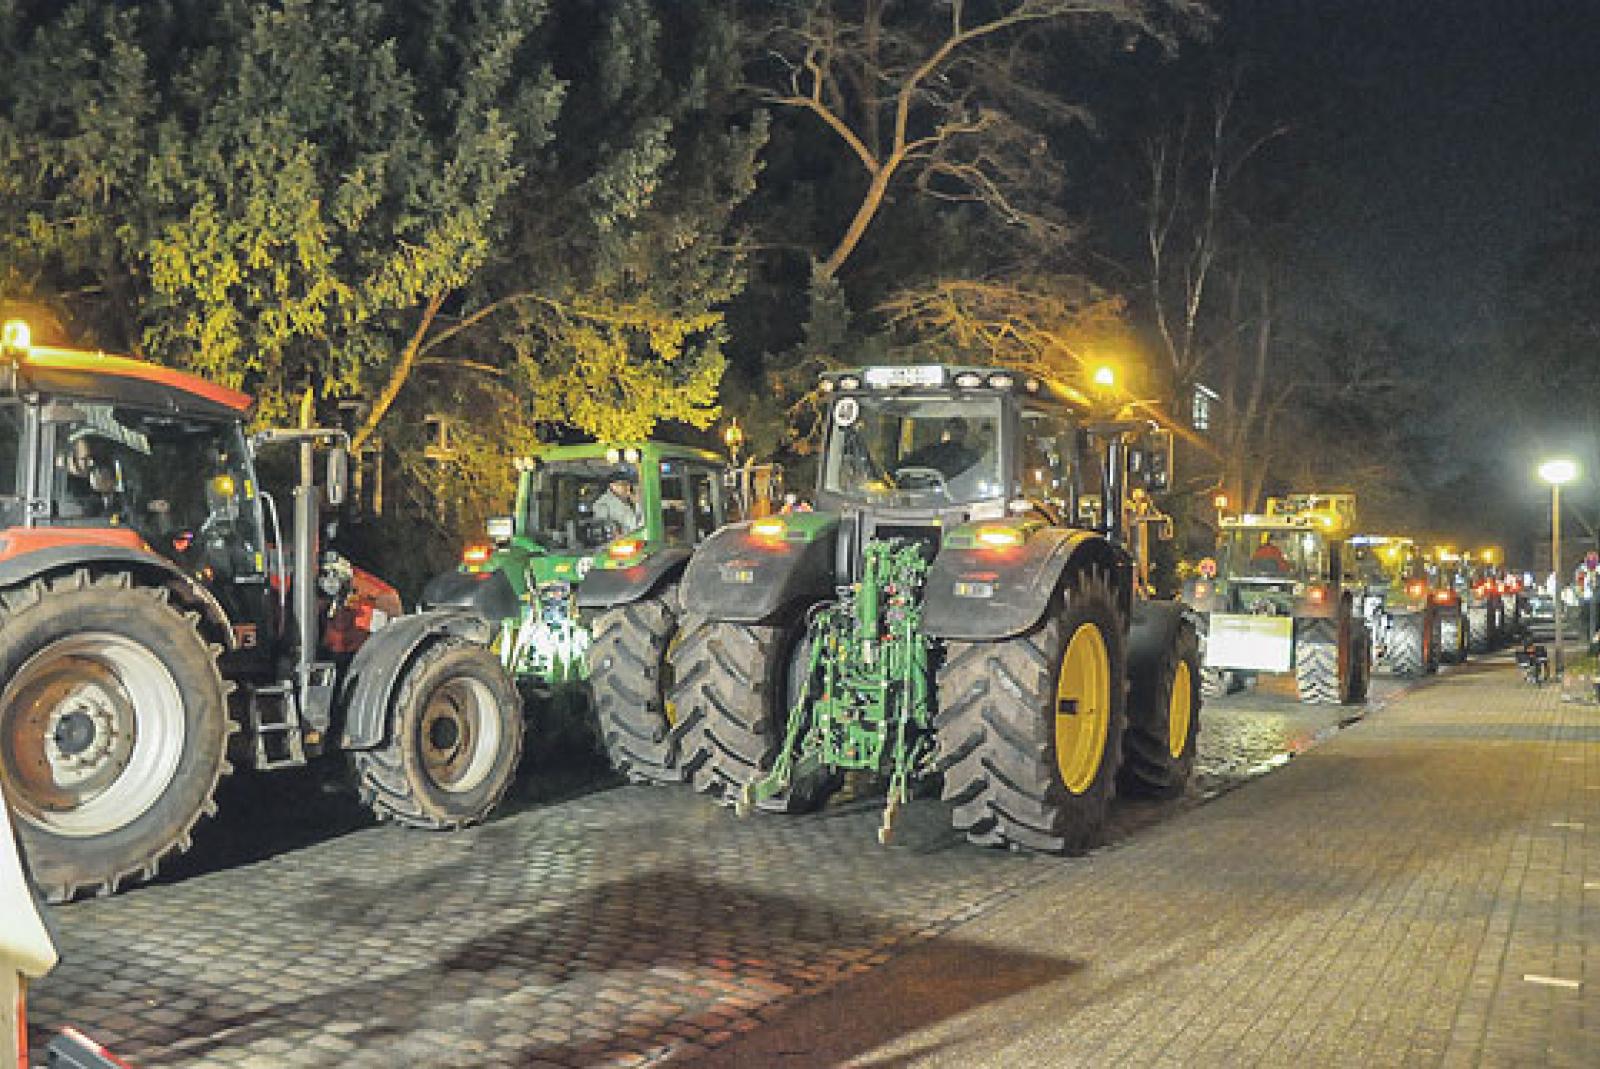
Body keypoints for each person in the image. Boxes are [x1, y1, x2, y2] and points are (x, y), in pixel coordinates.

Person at [900, 417, 981, 479]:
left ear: (966, 432)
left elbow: (978, 478)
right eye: (955, 428)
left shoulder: (972, 458)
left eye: (961, 428)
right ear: (948, 430)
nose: (958, 432)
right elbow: (904, 466)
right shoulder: (931, 452)